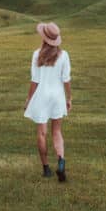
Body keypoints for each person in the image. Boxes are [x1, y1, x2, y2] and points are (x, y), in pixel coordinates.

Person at [24, 21, 71, 181]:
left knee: (42, 133)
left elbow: (34, 80)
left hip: (41, 96)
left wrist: (29, 99)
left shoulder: (37, 55)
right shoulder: (64, 55)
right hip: (57, 96)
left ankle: (46, 168)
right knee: (57, 131)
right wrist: (69, 98)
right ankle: (61, 161)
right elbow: (66, 80)